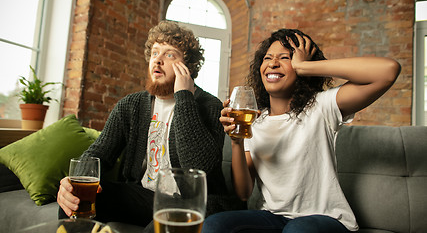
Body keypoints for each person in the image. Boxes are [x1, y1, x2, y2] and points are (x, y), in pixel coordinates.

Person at [202, 29, 401, 233]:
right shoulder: (255, 121)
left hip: (325, 219)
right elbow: (244, 193)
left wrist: (305, 66)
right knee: (213, 224)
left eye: (285, 58)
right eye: (268, 58)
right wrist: (237, 141)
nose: (272, 63)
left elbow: (388, 70)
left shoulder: (321, 107)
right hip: (274, 218)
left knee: (298, 229)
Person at [57, 20, 244, 231]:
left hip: (193, 201)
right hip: (145, 197)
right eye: (155, 53)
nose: (158, 60)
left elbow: (201, 167)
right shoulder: (131, 105)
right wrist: (74, 182)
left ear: (188, 67)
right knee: (75, 199)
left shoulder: (209, 105)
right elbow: (98, 153)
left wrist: (183, 96)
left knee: (157, 227)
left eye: (170, 54)